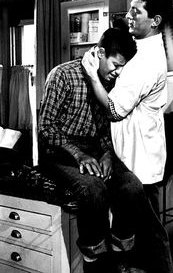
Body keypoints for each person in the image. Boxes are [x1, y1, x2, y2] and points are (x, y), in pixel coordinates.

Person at [38, 27, 151, 273]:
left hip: (96, 149)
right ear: (100, 53)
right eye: (115, 64)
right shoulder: (62, 75)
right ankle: (95, 260)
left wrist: (108, 154)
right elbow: (46, 128)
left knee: (132, 186)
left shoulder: (110, 83)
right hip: (60, 151)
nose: (118, 72)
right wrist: (78, 154)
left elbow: (106, 130)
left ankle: (120, 254)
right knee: (93, 188)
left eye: (123, 67)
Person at [82, 0, 173, 273]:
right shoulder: (140, 47)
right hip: (131, 159)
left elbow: (114, 110)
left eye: (137, 10)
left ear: (155, 20)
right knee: (131, 237)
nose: (129, 15)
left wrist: (92, 76)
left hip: (140, 163)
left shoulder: (146, 61)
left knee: (151, 237)